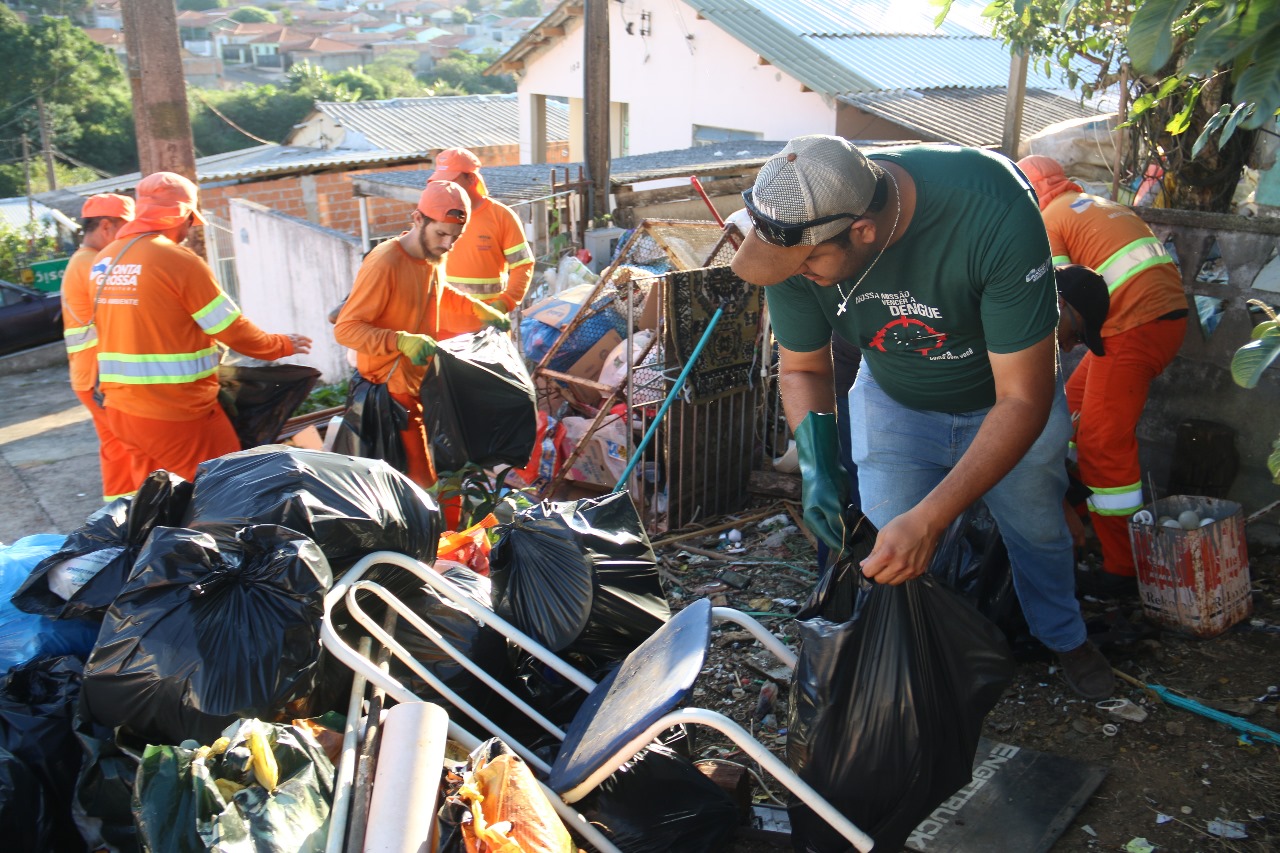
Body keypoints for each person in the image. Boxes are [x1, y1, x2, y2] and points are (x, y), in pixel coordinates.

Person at [731, 135, 1113, 700]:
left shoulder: (991, 209)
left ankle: (1064, 637)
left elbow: (1023, 402)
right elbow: (805, 370)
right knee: (892, 550)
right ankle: (912, 675)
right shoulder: (796, 246)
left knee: (1037, 532)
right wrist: (816, 466)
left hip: (1004, 403)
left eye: (809, 260)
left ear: (862, 229)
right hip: (894, 397)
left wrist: (933, 518)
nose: (797, 273)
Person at [1018, 155, 1189, 599]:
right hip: (1155, 320)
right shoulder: (1094, 203)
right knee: (1071, 411)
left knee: (1101, 444)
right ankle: (1076, 511)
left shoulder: (1048, 220)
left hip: (1133, 325)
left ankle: (1121, 569)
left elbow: (1047, 299)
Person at [91, 171, 312, 488]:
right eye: (189, 220)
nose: (189, 228)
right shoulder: (176, 260)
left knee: (159, 501)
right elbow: (231, 329)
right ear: (178, 215)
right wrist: (281, 345)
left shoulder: (105, 260)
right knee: (226, 489)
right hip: (177, 412)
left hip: (122, 411)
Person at [333, 180, 511, 489]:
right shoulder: (385, 261)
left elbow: (439, 292)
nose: (447, 245)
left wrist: (479, 310)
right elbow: (346, 329)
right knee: (420, 485)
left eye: (455, 238)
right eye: (441, 234)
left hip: (417, 384)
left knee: (446, 472)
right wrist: (399, 340)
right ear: (418, 219)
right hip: (389, 394)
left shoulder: (433, 256)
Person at [61, 193, 136, 501]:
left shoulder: (83, 262)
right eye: (127, 230)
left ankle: (117, 517)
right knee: (133, 447)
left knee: (117, 449)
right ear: (107, 227)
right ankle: (133, 518)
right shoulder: (96, 265)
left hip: (89, 375)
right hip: (99, 377)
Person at [429, 148, 534, 313]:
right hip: (444, 322)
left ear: (471, 178)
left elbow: (523, 265)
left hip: (488, 322)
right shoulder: (435, 215)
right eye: (442, 182)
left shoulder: (501, 216)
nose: (447, 188)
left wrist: (505, 302)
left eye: (451, 181)